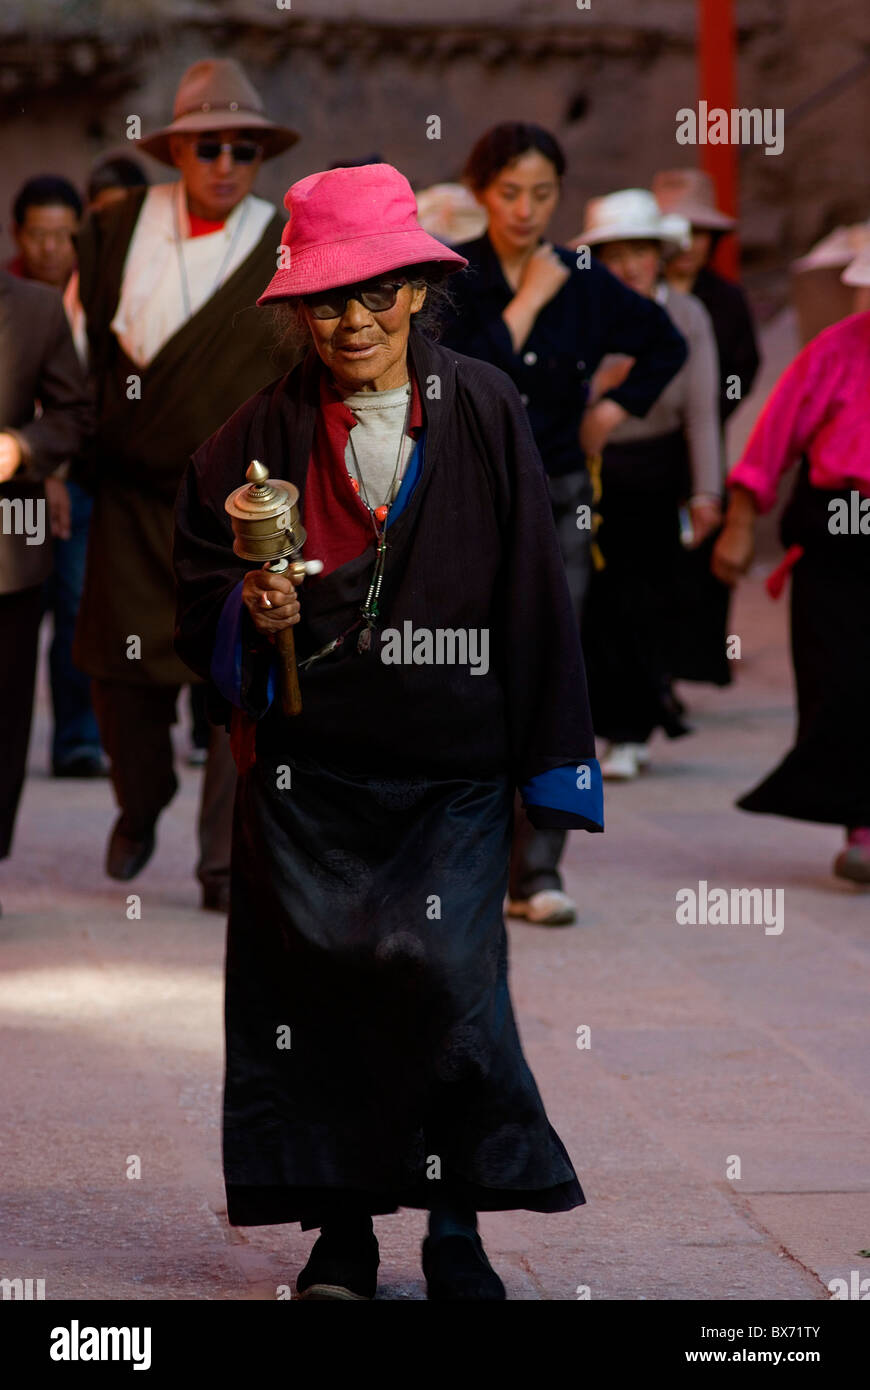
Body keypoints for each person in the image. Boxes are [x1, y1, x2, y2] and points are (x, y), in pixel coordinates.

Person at [173, 162, 604, 1301]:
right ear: (298, 310)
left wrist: (550, 764)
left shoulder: (484, 409)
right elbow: (196, 589)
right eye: (328, 300)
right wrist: (243, 612)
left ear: (418, 289)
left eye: (376, 294)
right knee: (317, 1000)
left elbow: (533, 599)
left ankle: (455, 1224)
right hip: (309, 781)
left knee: (446, 979)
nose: (353, 321)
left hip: (450, 769)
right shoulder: (248, 440)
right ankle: (343, 1233)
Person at [440, 123, 687, 924]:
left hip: (563, 493)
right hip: (472, 496)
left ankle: (539, 870)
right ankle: (465, 861)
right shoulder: (457, 275)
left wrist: (614, 407)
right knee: (469, 672)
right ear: (482, 192)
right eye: (510, 192)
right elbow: (464, 380)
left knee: (558, 670)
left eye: (542, 193)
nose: (524, 208)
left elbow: (664, 341)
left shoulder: (584, 274)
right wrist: (531, 299)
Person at [70, 58, 299, 911]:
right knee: (120, 683)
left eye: (244, 147)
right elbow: (73, 351)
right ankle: (143, 799)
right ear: (177, 151)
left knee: (236, 675)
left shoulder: (282, 243)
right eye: (208, 146)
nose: (226, 163)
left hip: (235, 503)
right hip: (132, 499)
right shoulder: (115, 227)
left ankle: (224, 863)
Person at [712, 253, 870, 886]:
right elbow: (772, 441)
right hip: (839, 534)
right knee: (845, 679)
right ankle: (862, 823)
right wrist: (740, 522)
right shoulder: (835, 351)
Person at [578, 189, 723, 780]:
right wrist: (603, 386)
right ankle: (608, 722)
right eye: (616, 253)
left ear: (661, 254)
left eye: (641, 250)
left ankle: (634, 727)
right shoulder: (582, 311)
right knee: (593, 603)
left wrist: (708, 491)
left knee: (642, 603)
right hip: (592, 471)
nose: (631, 264)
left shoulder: (687, 315)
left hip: (659, 473)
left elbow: (702, 412)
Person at [7, 176, 105, 778]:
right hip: (16, 487)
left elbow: (85, 403)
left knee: (75, 600)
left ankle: (75, 738)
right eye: (37, 235)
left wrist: (55, 469)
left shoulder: (97, 298)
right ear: (19, 235)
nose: (49, 248)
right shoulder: (9, 294)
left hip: (79, 476)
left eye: (61, 236)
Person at [0, 270, 92, 905]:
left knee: (2, 719)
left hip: (8, 547)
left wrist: (20, 447)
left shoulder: (34, 309)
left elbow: (76, 411)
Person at [655, 168, 761, 689]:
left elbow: (745, 363)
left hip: (702, 442)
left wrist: (705, 410)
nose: (689, 245)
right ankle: (654, 674)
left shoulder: (726, 299)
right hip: (644, 447)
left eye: (699, 233)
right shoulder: (636, 292)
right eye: (678, 233)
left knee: (702, 550)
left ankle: (697, 665)